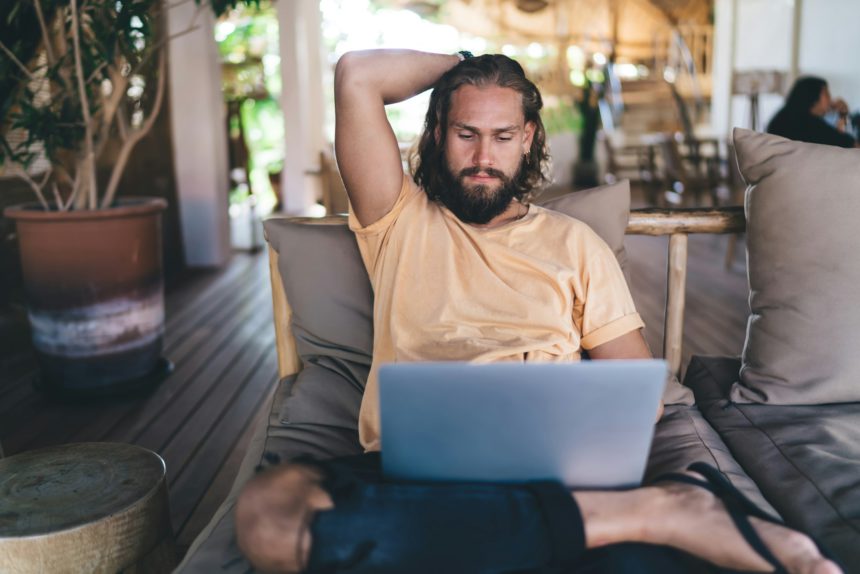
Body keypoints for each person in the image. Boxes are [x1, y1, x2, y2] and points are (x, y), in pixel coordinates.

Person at [234, 50, 842, 574]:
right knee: (269, 514)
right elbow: (357, 74)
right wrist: (467, 64)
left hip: (546, 473)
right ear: (438, 132)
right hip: (414, 480)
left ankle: (540, 530)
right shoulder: (398, 221)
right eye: (465, 132)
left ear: (527, 139)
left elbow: (641, 392)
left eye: (502, 136)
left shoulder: (575, 244)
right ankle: (642, 515)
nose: (482, 155)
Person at [767, 76, 858, 148]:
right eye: (827, 94)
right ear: (813, 96)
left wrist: (843, 117)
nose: (831, 99)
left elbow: (837, 141)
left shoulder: (781, 118)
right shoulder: (809, 124)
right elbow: (851, 146)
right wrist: (844, 114)